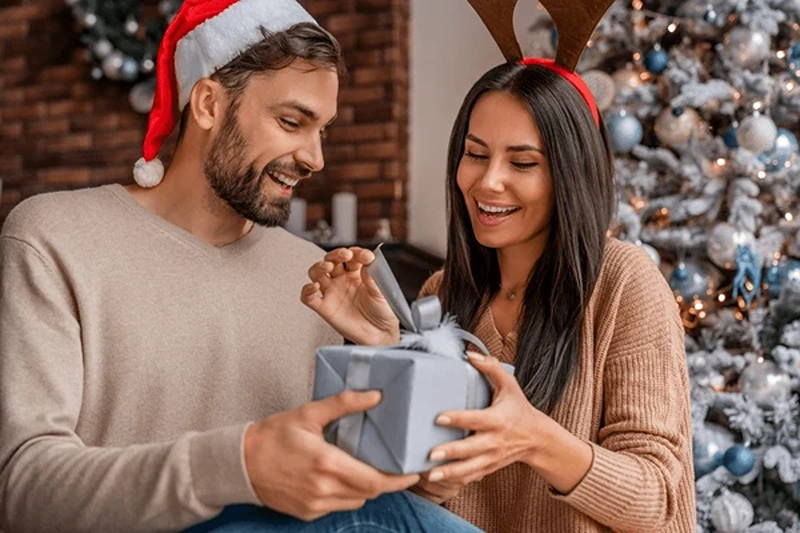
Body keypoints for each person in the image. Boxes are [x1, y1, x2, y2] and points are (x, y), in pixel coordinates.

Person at [0, 1, 481, 532]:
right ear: (207, 104)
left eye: (323, 130)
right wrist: (238, 464)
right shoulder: (54, 238)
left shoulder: (317, 279)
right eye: (292, 121)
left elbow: (347, 497)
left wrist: (385, 360)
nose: (315, 158)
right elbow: (22, 489)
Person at [303, 60, 697, 532]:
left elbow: (659, 501)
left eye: (523, 162)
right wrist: (389, 347)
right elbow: (422, 494)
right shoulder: (442, 293)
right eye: (475, 154)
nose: (488, 181)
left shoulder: (623, 284)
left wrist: (532, 438)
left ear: (571, 174)